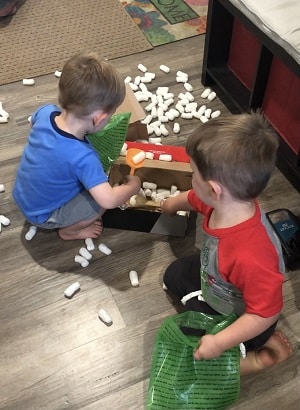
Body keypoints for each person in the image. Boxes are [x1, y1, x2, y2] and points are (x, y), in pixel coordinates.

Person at [161, 111, 292, 375]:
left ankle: (259, 357)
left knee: (196, 353)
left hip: (245, 317)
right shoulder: (224, 204)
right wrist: (171, 204)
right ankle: (206, 312)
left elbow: (263, 314)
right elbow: (194, 198)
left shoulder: (252, 256)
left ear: (214, 189)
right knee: (173, 274)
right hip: (217, 282)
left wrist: (219, 342)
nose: (190, 178)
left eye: (193, 173)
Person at [13, 52, 141, 240]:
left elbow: (32, 123)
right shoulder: (84, 157)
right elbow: (110, 199)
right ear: (100, 119)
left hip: (22, 195)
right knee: (100, 203)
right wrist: (133, 187)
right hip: (44, 215)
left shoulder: (46, 112)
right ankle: (70, 231)